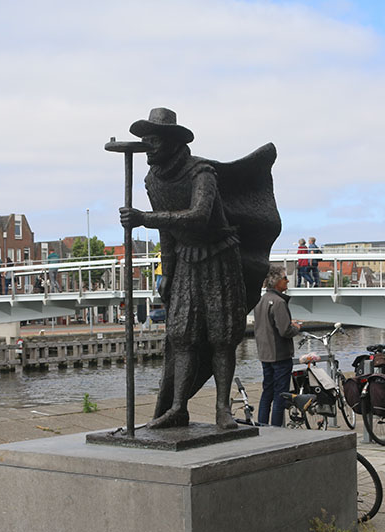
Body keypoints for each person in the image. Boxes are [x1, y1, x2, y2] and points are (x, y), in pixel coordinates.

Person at [119, 107, 280, 429]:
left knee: (222, 337)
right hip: (187, 262)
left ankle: (222, 409)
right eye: (145, 141)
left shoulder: (200, 172)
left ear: (171, 142)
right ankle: (178, 407)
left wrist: (143, 220)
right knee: (181, 336)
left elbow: (199, 216)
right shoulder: (153, 179)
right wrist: (166, 271)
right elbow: (169, 232)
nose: (148, 147)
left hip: (219, 259)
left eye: (153, 141)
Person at [253, 266, 301, 426]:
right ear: (277, 281)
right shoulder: (279, 302)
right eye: (285, 278)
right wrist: (297, 328)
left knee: (267, 391)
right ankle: (276, 428)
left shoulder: (261, 300)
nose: (287, 281)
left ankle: (262, 425)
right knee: (281, 394)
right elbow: (285, 330)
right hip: (280, 354)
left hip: (265, 353)